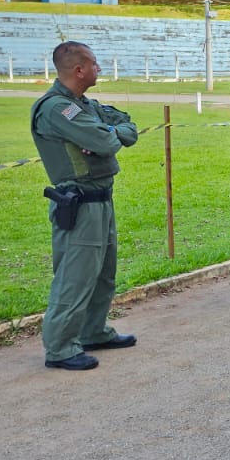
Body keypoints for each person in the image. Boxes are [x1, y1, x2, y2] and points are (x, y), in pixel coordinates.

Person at [29, 41, 138, 370]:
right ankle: (60, 347)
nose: (98, 69)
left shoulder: (84, 105)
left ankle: (93, 331)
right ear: (78, 70)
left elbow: (128, 129)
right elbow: (106, 141)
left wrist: (107, 132)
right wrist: (106, 135)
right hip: (79, 204)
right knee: (75, 277)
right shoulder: (56, 108)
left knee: (103, 273)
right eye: (93, 63)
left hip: (102, 199)